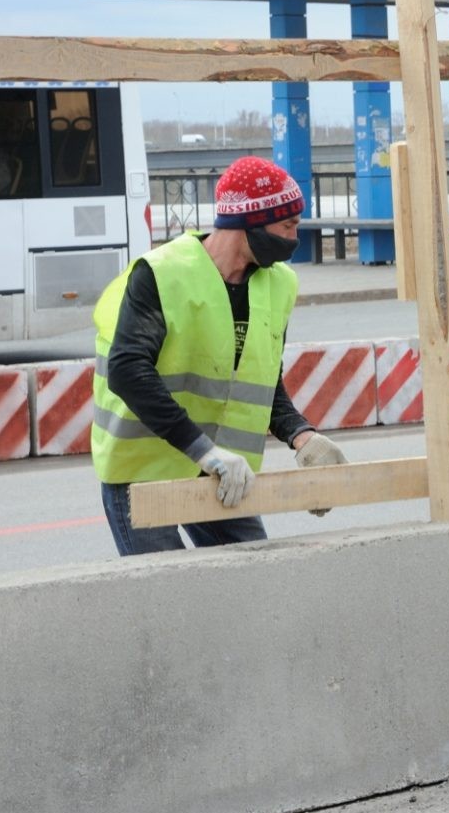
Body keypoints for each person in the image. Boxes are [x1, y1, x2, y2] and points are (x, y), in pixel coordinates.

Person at [90, 156, 347, 556]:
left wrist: (302, 436)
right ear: (251, 222)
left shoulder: (278, 284)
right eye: (288, 225)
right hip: (141, 470)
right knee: (165, 593)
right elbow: (127, 371)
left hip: (226, 470)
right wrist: (205, 451)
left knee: (252, 585)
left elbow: (262, 379)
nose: (295, 238)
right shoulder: (162, 274)